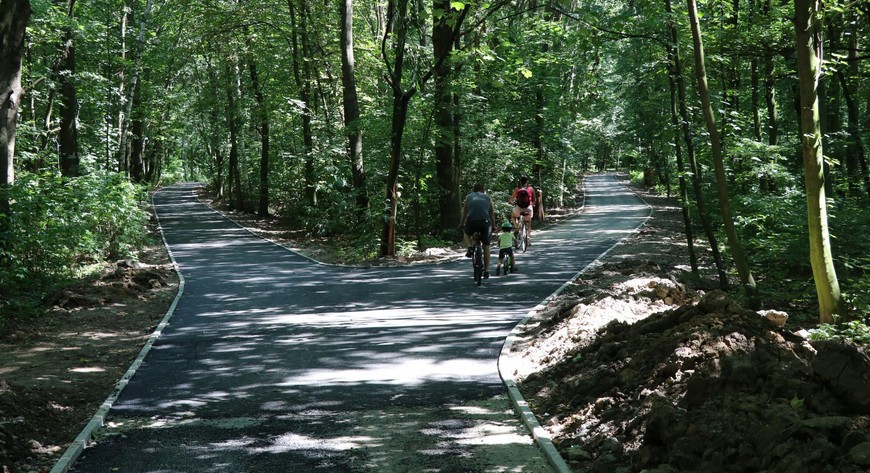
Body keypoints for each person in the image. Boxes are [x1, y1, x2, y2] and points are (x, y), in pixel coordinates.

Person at [460, 182, 496, 279]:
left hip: (471, 221)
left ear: (473, 190)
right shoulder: (487, 197)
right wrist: (493, 226)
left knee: (466, 233)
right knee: (486, 247)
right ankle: (487, 271)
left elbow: (464, 213)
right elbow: (492, 214)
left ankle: (470, 246)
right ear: (483, 190)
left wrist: (461, 224)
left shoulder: (468, 197)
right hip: (485, 223)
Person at [509, 176, 535, 244]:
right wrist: (531, 206)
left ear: (520, 181)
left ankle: (517, 227)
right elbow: (534, 200)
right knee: (528, 223)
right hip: (528, 208)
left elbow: (511, 199)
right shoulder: (531, 189)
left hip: (519, 208)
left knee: (513, 216)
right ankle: (528, 239)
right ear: (527, 181)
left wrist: (510, 202)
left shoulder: (517, 189)